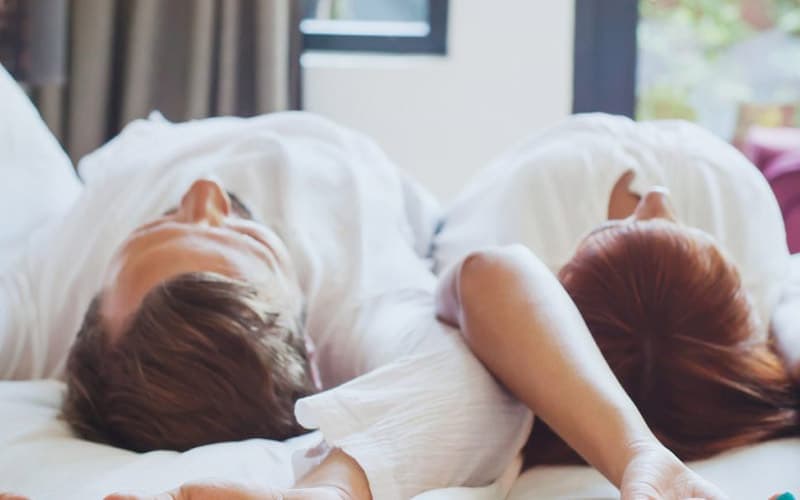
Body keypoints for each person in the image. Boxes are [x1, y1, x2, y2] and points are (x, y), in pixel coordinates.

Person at [0, 111, 724, 499]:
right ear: (315, 353)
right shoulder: (346, 306)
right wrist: (636, 458)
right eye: (243, 235)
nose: (204, 192)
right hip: (403, 196)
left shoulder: (36, 307)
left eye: (151, 231)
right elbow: (471, 388)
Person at [432, 113, 800, 471]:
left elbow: (481, 274)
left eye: (608, 232)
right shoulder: (752, 256)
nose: (656, 197)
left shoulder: (524, 218)